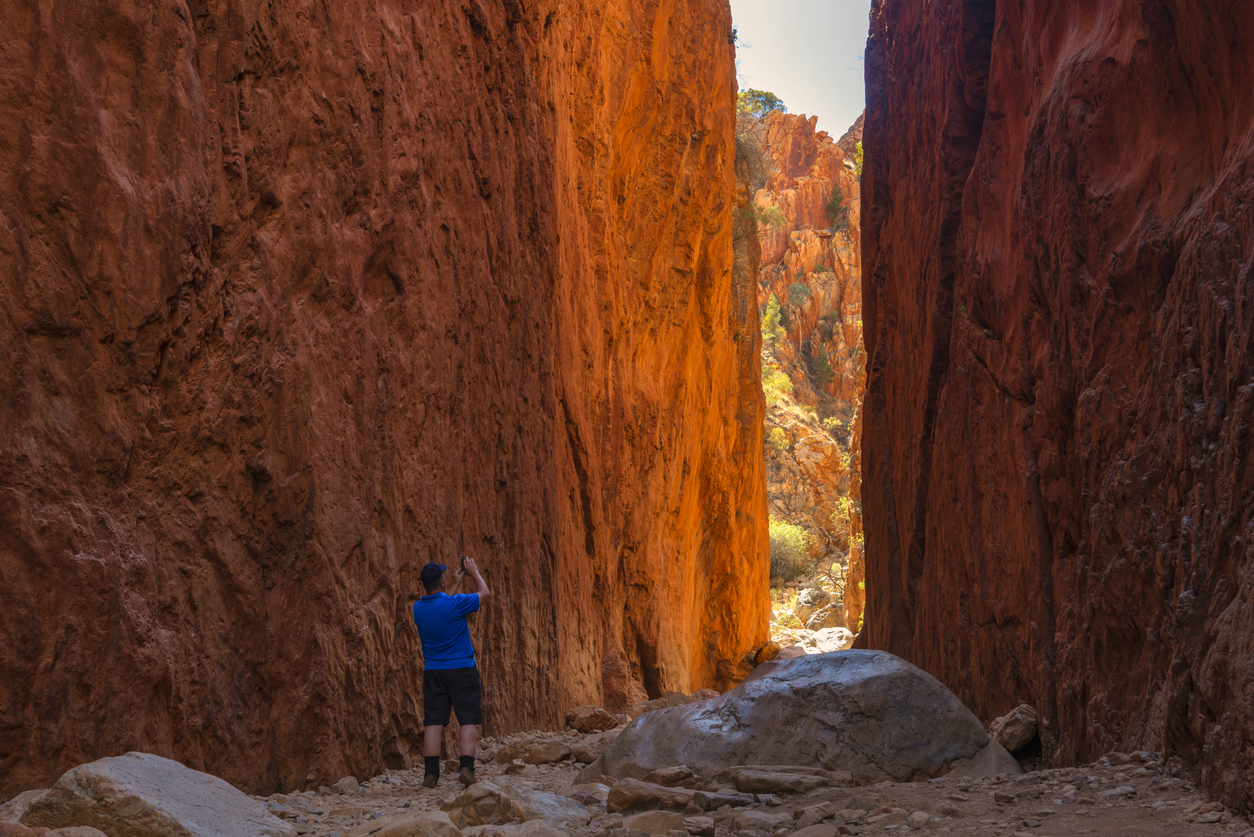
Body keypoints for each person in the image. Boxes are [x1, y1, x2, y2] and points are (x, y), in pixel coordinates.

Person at [412, 557, 490, 788]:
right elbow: (484, 594)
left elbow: (440, 604)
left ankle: (430, 774)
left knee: (433, 722)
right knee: (467, 720)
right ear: (442, 583)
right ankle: (467, 768)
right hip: (462, 669)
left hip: (434, 672)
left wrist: (453, 584)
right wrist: (474, 572)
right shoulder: (455, 604)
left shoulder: (418, 609)